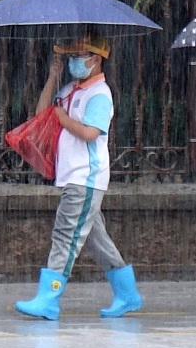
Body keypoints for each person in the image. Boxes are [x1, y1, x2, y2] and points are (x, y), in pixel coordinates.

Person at [13, 33, 142, 321]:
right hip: (75, 176)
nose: (74, 61)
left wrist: (63, 119)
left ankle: (49, 298)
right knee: (96, 239)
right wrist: (52, 77)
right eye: (71, 56)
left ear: (95, 59)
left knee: (65, 236)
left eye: (79, 55)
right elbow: (41, 114)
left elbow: (89, 133)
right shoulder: (72, 89)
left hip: (85, 177)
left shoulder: (100, 95)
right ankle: (128, 294)